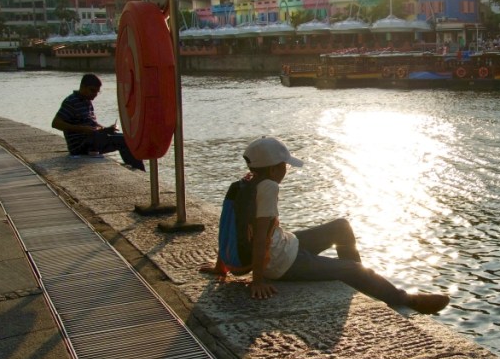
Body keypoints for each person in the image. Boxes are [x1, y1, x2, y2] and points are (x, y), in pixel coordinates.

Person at [199, 135, 450, 315]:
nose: (286, 170)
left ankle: (357, 282)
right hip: (282, 263)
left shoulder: (243, 184)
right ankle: (403, 299)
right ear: (275, 169)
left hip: (286, 245)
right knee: (354, 268)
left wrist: (222, 266)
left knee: (341, 226)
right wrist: (258, 281)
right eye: (285, 166)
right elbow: (262, 237)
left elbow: (228, 226)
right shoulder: (269, 188)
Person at [52, 74, 145, 170]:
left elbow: (92, 124)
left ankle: (136, 168)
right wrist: (82, 129)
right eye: (92, 90)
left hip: (92, 139)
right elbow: (55, 123)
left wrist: (105, 129)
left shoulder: (87, 101)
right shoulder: (71, 102)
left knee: (129, 139)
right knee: (125, 141)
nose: (95, 94)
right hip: (81, 145)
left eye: (97, 92)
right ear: (82, 87)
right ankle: (139, 170)